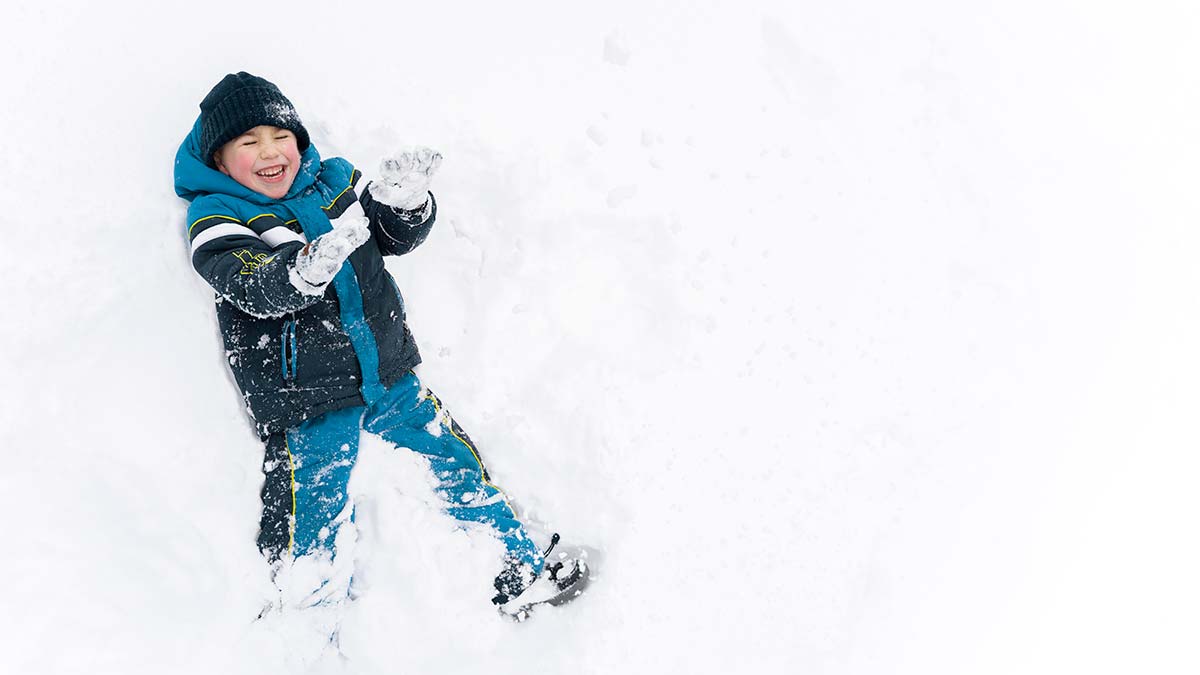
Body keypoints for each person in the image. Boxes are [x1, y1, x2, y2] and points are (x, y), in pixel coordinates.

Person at [172, 72, 588, 629]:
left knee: (450, 460)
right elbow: (245, 281)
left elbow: (389, 238)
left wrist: (403, 205)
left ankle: (516, 565)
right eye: (249, 143)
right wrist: (297, 273)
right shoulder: (217, 213)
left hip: (388, 370)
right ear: (221, 159)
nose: (270, 153)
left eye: (280, 137)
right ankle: (302, 625)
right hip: (307, 397)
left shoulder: (337, 181)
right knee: (310, 509)